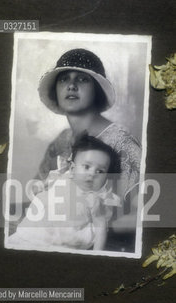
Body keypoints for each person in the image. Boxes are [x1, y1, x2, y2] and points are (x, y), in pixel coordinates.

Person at [37, 48, 141, 200]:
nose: (71, 86)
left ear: (97, 90)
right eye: (64, 79)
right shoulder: (61, 141)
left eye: (82, 79)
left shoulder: (123, 144)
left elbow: (138, 213)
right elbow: (39, 196)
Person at [9, 135, 121, 251]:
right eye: (87, 167)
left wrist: (97, 255)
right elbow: (45, 183)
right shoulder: (63, 176)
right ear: (72, 169)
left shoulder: (95, 199)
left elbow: (101, 228)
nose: (92, 174)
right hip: (33, 234)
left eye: (100, 171)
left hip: (65, 244)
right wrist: (41, 186)